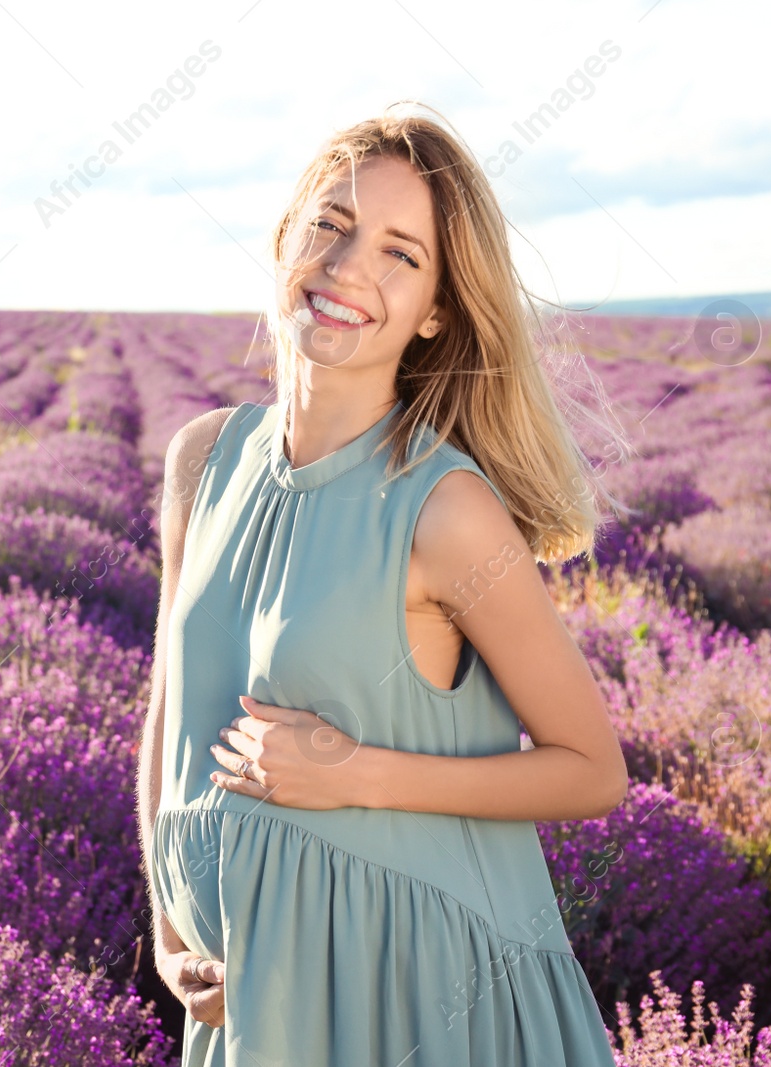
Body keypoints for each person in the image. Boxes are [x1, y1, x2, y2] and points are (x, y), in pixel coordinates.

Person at [135, 101, 632, 1065]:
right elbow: (170, 710)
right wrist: (166, 927)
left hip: (420, 992)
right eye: (330, 224)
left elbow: (592, 768)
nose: (350, 266)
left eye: (401, 253)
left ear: (436, 308)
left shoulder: (446, 510)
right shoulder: (202, 460)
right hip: (249, 999)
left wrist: (356, 773)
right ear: (285, 239)